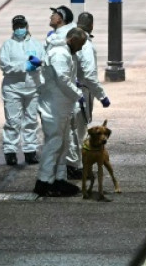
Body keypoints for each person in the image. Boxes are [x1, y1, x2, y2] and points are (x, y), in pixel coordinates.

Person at [33, 27, 88, 197]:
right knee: (54, 144)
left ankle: (59, 179)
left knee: (63, 145)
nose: (80, 48)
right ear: (72, 39)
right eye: (80, 44)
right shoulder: (59, 54)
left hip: (61, 106)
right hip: (53, 107)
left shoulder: (65, 53)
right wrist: (78, 94)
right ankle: (44, 182)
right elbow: (62, 79)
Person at [64, 11, 112, 180]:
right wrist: (102, 96)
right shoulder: (87, 46)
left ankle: (68, 165)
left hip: (67, 91)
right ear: (91, 26)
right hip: (82, 92)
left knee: (69, 130)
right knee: (79, 130)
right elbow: (90, 76)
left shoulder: (66, 39)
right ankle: (74, 166)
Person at [0, 15, 46, 166]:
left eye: (22, 26)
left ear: (27, 26)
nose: (20, 29)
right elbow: (5, 66)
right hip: (13, 88)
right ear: (13, 28)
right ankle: (10, 152)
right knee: (12, 121)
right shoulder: (8, 45)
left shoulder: (36, 44)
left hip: (33, 87)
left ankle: (30, 151)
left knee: (31, 120)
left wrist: (39, 64)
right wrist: (25, 66)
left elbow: (44, 61)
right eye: (17, 26)